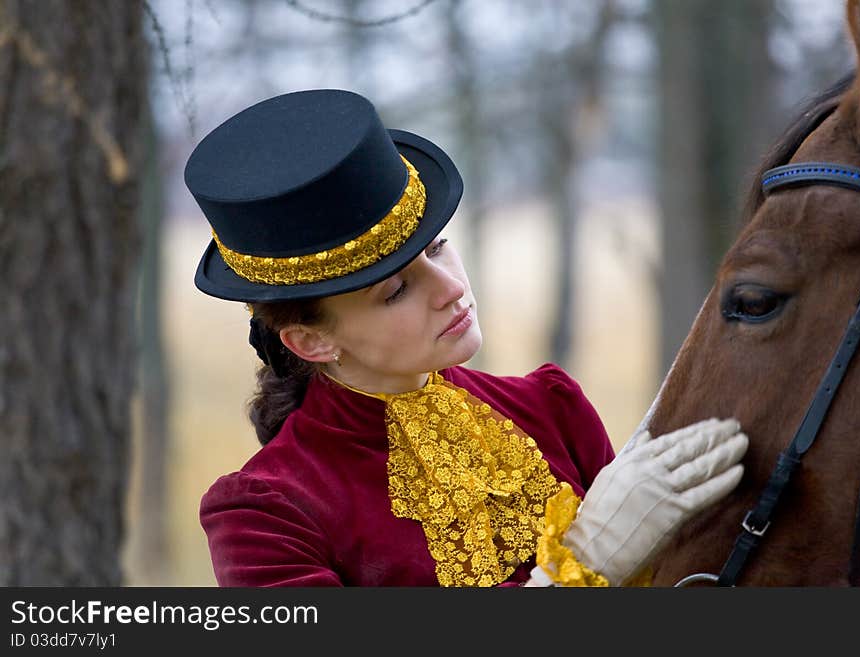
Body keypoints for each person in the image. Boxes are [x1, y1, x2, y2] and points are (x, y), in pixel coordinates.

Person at [185, 89, 748, 587]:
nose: (452, 287)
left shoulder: (550, 407)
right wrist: (581, 564)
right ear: (310, 341)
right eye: (396, 290)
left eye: (437, 248)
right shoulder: (265, 515)